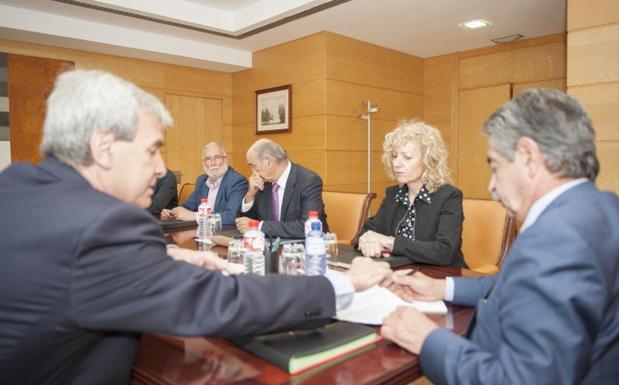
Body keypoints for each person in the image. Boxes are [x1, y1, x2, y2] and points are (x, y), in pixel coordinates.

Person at [0, 70, 392, 385]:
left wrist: (165, 257)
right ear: (103, 148)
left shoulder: (15, 185)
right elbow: (223, 302)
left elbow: (73, 269)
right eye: (152, 149)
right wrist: (344, 285)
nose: (160, 168)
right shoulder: (102, 227)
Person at [380, 89, 619, 385]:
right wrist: (441, 288)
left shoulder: (557, 238)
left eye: (495, 165)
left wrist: (428, 339)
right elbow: (517, 283)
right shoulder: (602, 209)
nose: (492, 185)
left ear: (529, 157)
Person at [357, 120, 465, 267]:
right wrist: (367, 242)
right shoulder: (394, 194)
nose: (396, 163)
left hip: (440, 277)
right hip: (400, 274)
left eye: (407, 157)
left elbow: (443, 251)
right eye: (395, 156)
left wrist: (389, 242)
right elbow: (367, 232)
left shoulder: (449, 196)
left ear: (429, 161)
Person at [235, 138, 328, 238]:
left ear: (269, 161)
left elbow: (307, 227)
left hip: (308, 247)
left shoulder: (308, 181)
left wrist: (259, 226)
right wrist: (250, 195)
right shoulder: (263, 182)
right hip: (269, 246)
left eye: (253, 166)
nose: (253, 172)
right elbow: (245, 224)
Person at [160, 142, 247, 225]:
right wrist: (171, 213)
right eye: (208, 159)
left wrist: (195, 216)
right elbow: (187, 207)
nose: (213, 163)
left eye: (217, 157)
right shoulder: (202, 180)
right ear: (203, 163)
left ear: (225, 159)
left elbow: (231, 216)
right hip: (202, 232)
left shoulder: (237, 181)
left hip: (224, 235)